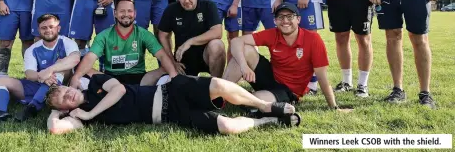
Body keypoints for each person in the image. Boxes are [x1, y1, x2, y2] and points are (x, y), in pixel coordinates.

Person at [46, 72, 301, 135]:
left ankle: (265, 105)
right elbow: (55, 129)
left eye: (66, 90)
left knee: (219, 86)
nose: (68, 96)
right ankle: (265, 120)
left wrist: (92, 115)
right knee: (227, 127)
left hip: (170, 92)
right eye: (63, 101)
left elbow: (120, 89)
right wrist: (57, 112)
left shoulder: (95, 83)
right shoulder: (78, 115)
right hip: (174, 116)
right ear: (65, 108)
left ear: (72, 85)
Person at [223, 3, 342, 111]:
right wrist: (244, 67)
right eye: (280, 17)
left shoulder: (313, 39)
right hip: (271, 78)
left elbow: (322, 77)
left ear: (298, 19)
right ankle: (219, 97)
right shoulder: (273, 33)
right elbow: (236, 42)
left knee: (254, 102)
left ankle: (240, 95)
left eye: (290, 16)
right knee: (246, 49)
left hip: (289, 91)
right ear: (275, 21)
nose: (285, 21)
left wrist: (333, 106)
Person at [0, 14, 81, 124]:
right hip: (38, 84)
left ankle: (32, 107)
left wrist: (49, 71)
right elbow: (29, 73)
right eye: (44, 28)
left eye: (51, 26)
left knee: (61, 68)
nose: (48, 30)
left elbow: (75, 59)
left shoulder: (66, 42)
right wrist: (40, 76)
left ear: (58, 28)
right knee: (0, 80)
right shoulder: (32, 49)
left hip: (61, 89)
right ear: (39, 30)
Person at [69, 0, 179, 86]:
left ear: (135, 13)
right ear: (115, 13)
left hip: (140, 79)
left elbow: (162, 56)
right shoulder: (104, 35)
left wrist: (174, 77)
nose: (126, 14)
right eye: (122, 11)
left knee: (167, 69)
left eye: (129, 11)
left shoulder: (143, 33)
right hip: (111, 80)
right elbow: (90, 57)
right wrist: (76, 76)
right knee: (83, 71)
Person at [158, 0, 226, 77]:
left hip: (206, 55)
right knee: (184, 90)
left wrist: (190, 42)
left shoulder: (208, 6)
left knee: (217, 45)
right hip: (183, 58)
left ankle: (216, 84)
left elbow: (217, 32)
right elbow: (163, 35)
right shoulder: (171, 10)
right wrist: (172, 61)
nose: (186, 0)